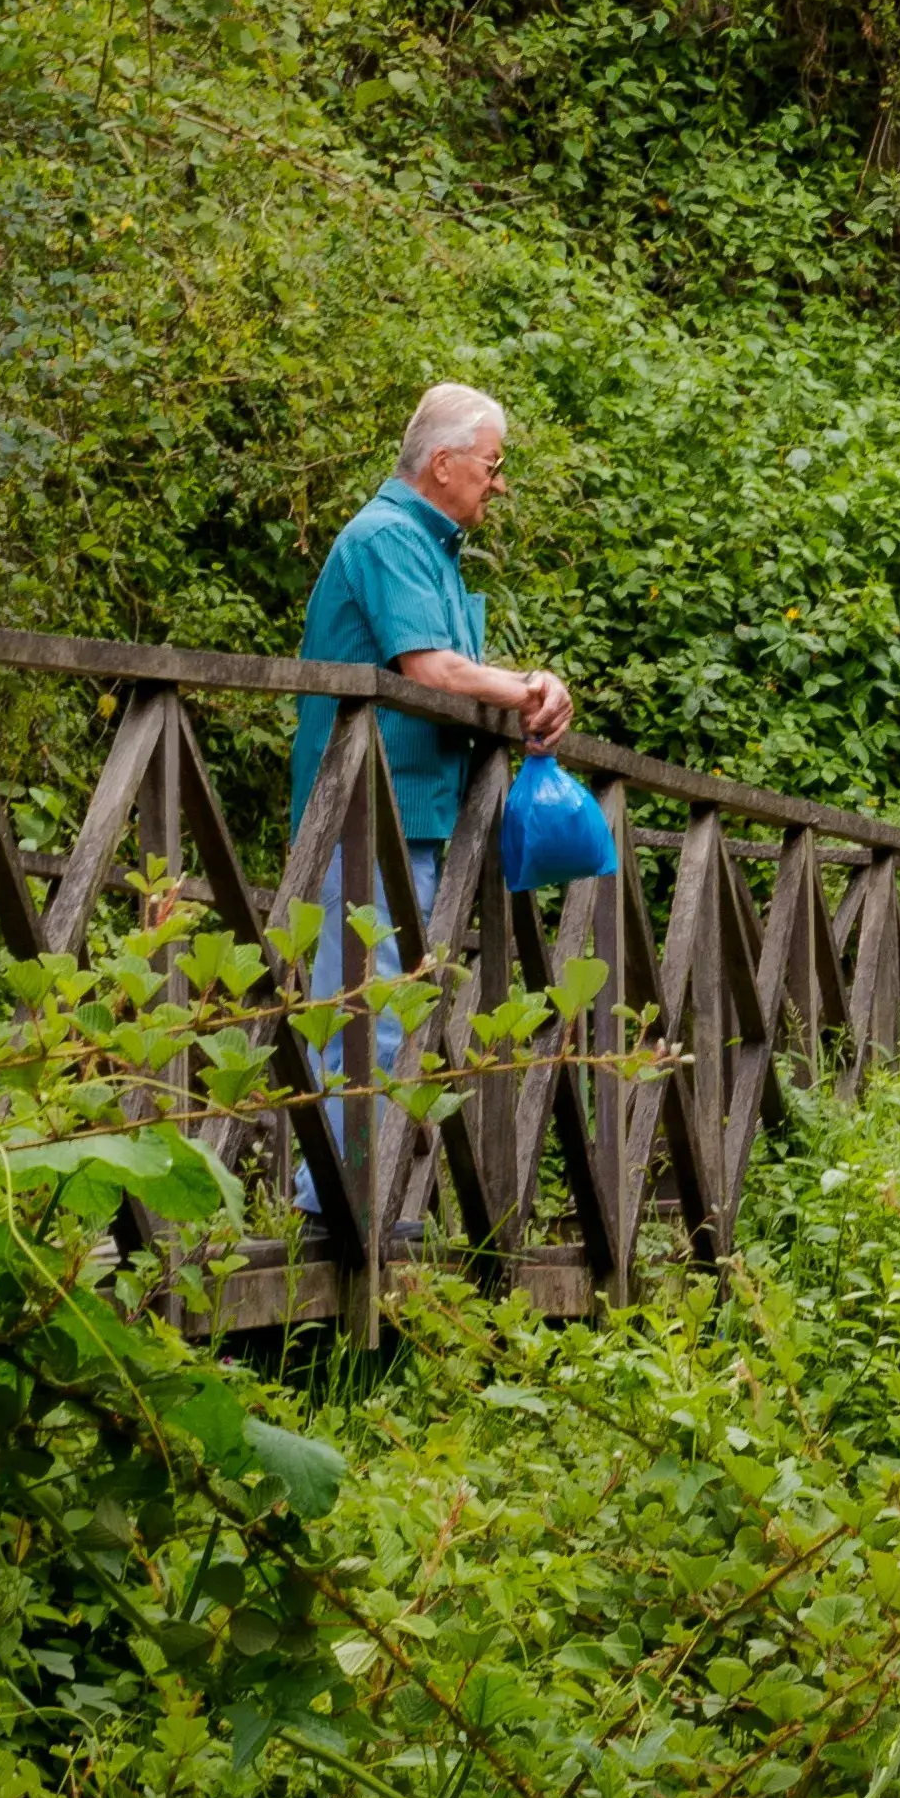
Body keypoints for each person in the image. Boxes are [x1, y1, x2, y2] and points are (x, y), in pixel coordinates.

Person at [286, 384, 577, 1241]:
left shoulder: (432, 551)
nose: (497, 484)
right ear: (442, 464)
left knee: (390, 1010)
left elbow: (453, 678)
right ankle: (335, 1214)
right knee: (366, 1008)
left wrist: (526, 697)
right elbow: (432, 672)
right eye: (491, 467)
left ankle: (347, 1203)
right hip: (363, 812)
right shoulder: (386, 538)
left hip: (412, 816)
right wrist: (531, 687)